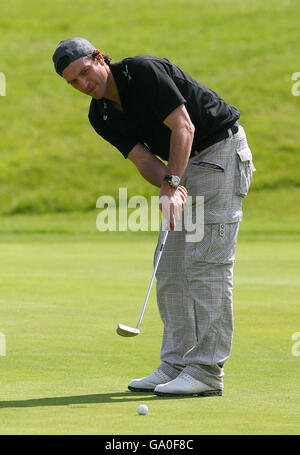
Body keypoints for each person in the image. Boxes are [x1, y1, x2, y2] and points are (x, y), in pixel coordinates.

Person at [52, 37, 255, 397]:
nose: (84, 84)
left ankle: (207, 371)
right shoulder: (100, 115)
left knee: (207, 263)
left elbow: (184, 127)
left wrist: (173, 183)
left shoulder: (142, 72)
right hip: (184, 167)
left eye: (85, 72)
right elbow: (144, 160)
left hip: (220, 153)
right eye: (73, 82)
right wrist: (169, 186)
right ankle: (176, 363)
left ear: (100, 58)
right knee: (170, 266)